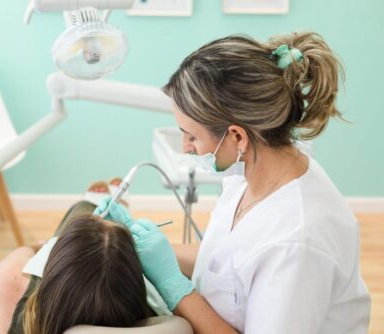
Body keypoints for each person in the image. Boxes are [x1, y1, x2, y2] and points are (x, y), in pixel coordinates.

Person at [96, 31, 371, 333]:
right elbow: (225, 265)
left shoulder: (296, 243)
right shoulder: (248, 172)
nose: (186, 147)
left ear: (237, 136)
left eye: (192, 136)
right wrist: (137, 244)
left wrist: (173, 287)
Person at [0, 201, 151, 334]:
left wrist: (39, 247)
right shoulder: (166, 320)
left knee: (83, 207)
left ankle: (92, 201)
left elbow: (24, 252)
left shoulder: (11, 281)